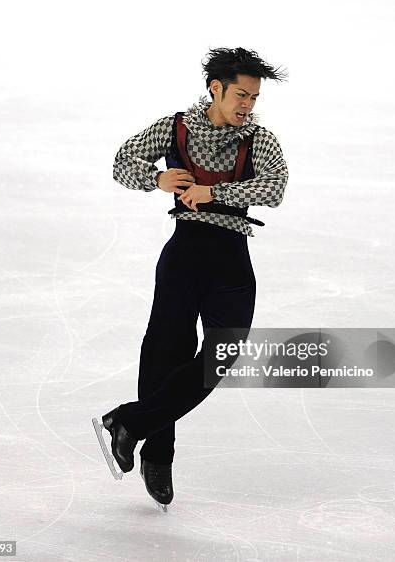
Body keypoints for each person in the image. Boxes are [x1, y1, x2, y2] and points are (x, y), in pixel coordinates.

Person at [92, 47, 289, 510]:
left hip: (232, 260)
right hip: (184, 254)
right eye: (241, 94)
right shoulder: (176, 127)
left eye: (254, 98)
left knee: (221, 355)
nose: (248, 105)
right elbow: (123, 161)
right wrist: (157, 180)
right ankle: (158, 458)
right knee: (164, 353)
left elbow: (274, 188)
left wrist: (214, 190)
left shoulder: (258, 139)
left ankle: (129, 422)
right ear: (215, 89)